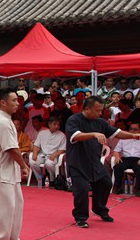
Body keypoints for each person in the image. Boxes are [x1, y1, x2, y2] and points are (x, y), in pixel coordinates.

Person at [66, 97, 140, 227]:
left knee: (106, 183)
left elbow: (117, 133)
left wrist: (133, 135)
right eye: (97, 110)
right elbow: (75, 136)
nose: (100, 113)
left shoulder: (100, 122)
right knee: (82, 190)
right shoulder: (74, 120)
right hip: (77, 163)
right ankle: (81, 217)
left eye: (101, 110)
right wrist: (94, 134)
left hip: (94, 162)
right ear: (87, 108)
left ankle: (99, 208)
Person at [0, 89, 31, 240]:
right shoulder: (2, 121)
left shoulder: (7, 120)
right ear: (3, 103)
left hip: (9, 170)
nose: (17, 103)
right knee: (2, 207)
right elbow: (11, 148)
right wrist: (24, 165)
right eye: (14, 100)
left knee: (16, 204)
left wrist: (21, 166)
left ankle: (11, 236)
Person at [30, 117, 67, 187]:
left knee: (49, 163)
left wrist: (55, 155)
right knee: (33, 162)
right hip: (42, 154)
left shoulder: (62, 135)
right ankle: (40, 178)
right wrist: (34, 154)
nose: (57, 126)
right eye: (54, 124)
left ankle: (52, 179)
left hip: (53, 155)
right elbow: (36, 145)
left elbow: (63, 149)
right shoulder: (42, 133)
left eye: (58, 125)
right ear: (49, 124)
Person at [111, 122, 140, 195]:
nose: (132, 131)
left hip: (137, 159)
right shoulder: (124, 139)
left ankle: (138, 189)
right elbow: (116, 151)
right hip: (126, 158)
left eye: (135, 129)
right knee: (117, 167)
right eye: (131, 129)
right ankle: (118, 187)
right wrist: (117, 156)